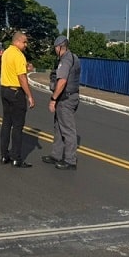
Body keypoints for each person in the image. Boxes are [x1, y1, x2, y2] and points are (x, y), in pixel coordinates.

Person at [42, 36, 81, 170]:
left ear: (59, 47)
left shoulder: (66, 60)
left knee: (67, 129)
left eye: (55, 48)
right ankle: (56, 155)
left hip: (66, 99)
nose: (54, 50)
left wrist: (53, 99)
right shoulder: (74, 57)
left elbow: (62, 81)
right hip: (70, 97)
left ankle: (70, 160)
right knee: (58, 127)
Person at [0, 31, 35, 168]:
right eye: (24, 42)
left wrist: (26, 67)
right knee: (17, 126)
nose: (26, 45)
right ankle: (16, 158)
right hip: (15, 92)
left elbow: (13, 68)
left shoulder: (7, 53)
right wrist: (29, 96)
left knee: (6, 123)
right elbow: (22, 77)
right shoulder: (19, 55)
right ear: (18, 41)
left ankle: (4, 155)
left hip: (4, 90)